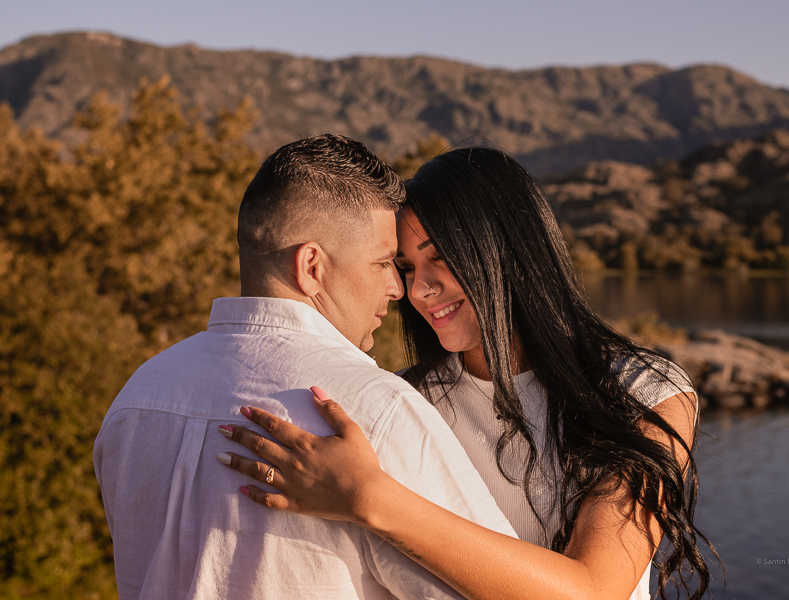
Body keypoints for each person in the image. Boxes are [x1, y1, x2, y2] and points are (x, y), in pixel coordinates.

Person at [218, 147, 716, 600]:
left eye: (440, 257)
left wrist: (368, 496)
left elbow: (596, 590)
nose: (418, 291)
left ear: (509, 251)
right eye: (406, 267)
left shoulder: (646, 393)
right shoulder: (407, 401)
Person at [93, 136, 518, 600]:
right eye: (382, 263)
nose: (399, 289)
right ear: (311, 266)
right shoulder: (373, 412)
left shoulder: (135, 402)